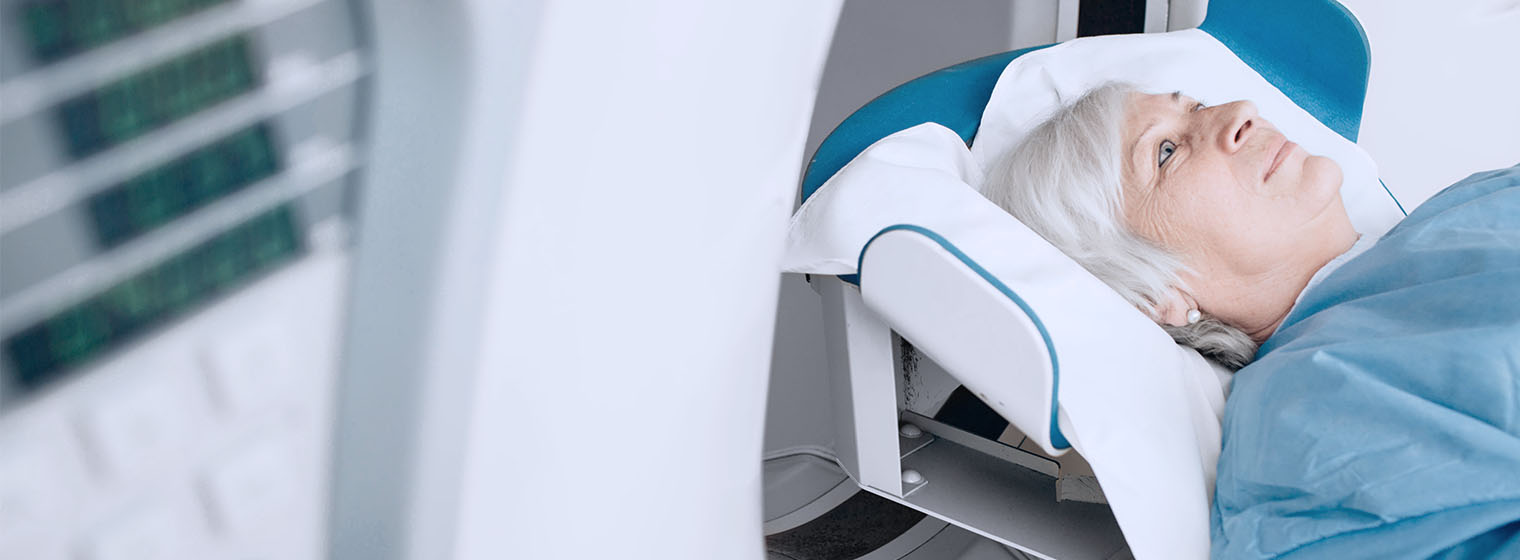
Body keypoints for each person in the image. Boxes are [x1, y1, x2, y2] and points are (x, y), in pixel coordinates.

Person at [981, 82, 1360, 368]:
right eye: (1166, 152)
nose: (1242, 110)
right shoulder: (1327, 403)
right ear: (1158, 297)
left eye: (1199, 107)